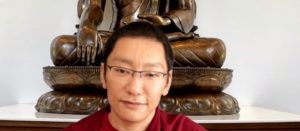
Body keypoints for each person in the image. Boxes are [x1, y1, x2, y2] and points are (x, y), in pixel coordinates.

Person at [42, 22, 247, 131]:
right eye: (122, 70)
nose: (135, 88)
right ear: (104, 74)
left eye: (151, 74)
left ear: (167, 82)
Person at [51, 0, 225, 67]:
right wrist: (87, 27)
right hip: (120, 38)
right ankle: (149, 66)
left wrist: (166, 21)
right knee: (62, 47)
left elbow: (186, 10)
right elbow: (93, 6)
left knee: (214, 49)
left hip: (158, 39)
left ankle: (122, 65)